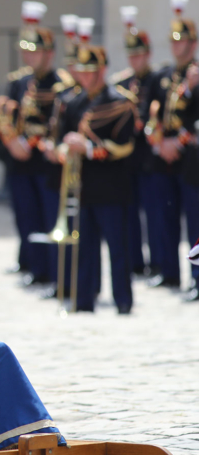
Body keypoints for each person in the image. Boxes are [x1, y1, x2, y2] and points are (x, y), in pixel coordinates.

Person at [56, 18, 136, 314]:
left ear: (103, 70)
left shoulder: (120, 102)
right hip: (84, 187)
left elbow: (125, 145)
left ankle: (123, 302)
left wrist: (87, 148)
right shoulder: (74, 102)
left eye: (92, 71)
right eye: (83, 71)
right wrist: (66, 147)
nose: (86, 77)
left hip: (112, 186)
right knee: (84, 248)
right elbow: (63, 136)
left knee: (118, 248)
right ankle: (83, 300)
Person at [0, 2, 74, 289]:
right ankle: (35, 267)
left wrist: (36, 142)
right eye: (27, 50)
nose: (29, 55)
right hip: (21, 161)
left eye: (35, 50)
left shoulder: (61, 83)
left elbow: (60, 123)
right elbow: (8, 118)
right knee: (25, 216)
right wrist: (12, 142)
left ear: (49, 53)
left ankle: (55, 273)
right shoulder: (19, 82)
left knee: (49, 217)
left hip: (46, 163)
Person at [145, 0, 199, 301]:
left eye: (183, 41)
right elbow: (149, 114)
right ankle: (167, 271)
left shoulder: (196, 76)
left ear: (193, 44)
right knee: (162, 216)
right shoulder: (162, 75)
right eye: (174, 41)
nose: (177, 46)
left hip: (189, 157)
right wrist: (159, 143)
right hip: (163, 156)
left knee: (194, 221)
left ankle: (196, 278)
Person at [111, 6, 159, 280]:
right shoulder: (122, 84)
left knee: (154, 214)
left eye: (140, 54)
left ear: (148, 54)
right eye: (132, 54)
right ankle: (134, 262)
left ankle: (158, 263)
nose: (136, 59)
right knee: (128, 214)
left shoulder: (157, 79)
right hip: (127, 158)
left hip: (150, 157)